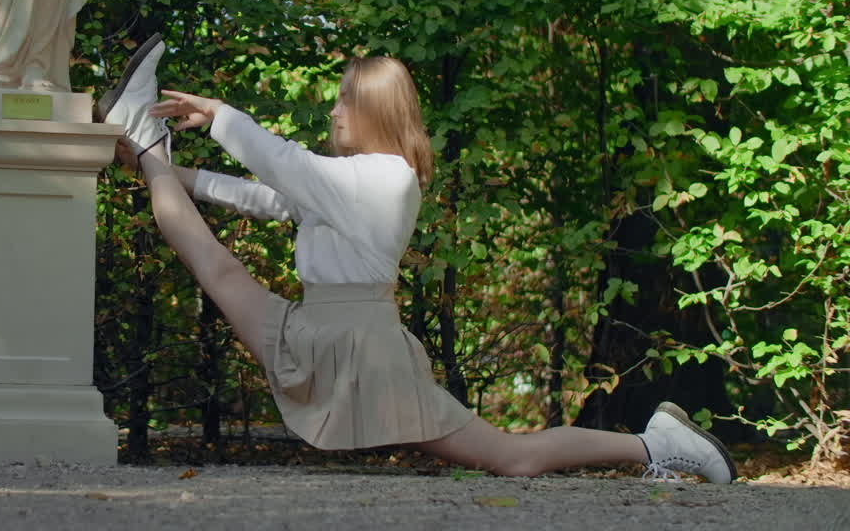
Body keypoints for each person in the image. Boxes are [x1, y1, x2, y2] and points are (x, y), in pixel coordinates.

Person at [99, 40, 737, 483]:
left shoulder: (389, 179)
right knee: (214, 265)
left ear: (376, 109)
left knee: (508, 458)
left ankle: (656, 444)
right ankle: (145, 139)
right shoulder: (347, 179)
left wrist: (219, 116)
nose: (334, 110)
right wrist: (173, 171)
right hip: (317, 331)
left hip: (360, 345)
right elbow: (261, 196)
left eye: (346, 100)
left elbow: (287, 166)